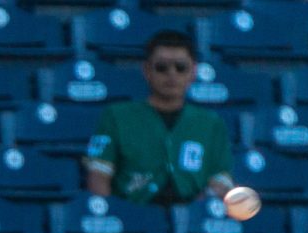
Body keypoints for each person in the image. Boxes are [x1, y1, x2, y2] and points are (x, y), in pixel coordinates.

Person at [83, 29, 235, 205]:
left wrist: (198, 210)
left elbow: (221, 178)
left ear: (193, 71)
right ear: (147, 70)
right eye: (161, 67)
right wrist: (112, 212)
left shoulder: (211, 123)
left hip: (192, 212)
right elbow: (98, 176)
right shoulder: (116, 116)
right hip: (134, 210)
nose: (172, 74)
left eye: (181, 67)